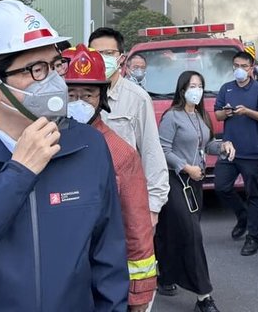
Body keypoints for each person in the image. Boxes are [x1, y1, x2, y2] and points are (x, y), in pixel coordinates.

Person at [0, 0, 128, 311]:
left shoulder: (89, 146)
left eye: (56, 64)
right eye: (36, 69)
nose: (54, 80)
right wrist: (18, 173)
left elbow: (108, 260)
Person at [63, 45, 157, 312]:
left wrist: (139, 295)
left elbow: (136, 228)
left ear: (102, 97)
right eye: (71, 94)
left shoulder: (120, 154)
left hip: (100, 280)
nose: (79, 101)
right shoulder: (40, 145)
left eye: (89, 94)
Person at [155, 71, 235, 312]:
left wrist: (222, 146)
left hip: (195, 183)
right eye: (192, 86)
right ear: (182, 90)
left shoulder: (201, 116)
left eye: (200, 86)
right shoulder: (172, 117)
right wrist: (185, 167)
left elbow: (206, 145)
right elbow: (162, 148)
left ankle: (166, 277)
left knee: (171, 234)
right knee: (192, 236)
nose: (197, 90)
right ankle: (204, 296)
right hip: (176, 182)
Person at [89, 27, 170, 225]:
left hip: (125, 197)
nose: (101, 59)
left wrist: (153, 206)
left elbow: (151, 152)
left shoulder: (137, 98)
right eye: (95, 54)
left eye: (108, 54)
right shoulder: (77, 94)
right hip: (87, 195)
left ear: (121, 59)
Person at [213, 51, 258, 256]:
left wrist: (248, 112)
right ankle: (242, 215)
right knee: (221, 186)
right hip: (229, 150)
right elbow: (218, 114)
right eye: (236, 65)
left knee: (253, 194)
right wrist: (226, 112)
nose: (240, 69)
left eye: (244, 66)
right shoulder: (226, 88)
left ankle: (253, 238)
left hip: (253, 152)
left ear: (251, 67)